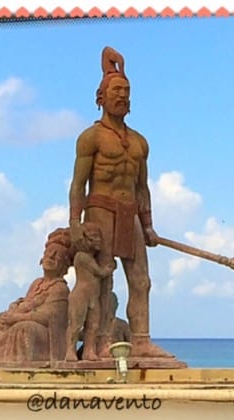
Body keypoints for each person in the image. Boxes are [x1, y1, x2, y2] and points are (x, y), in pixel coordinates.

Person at [68, 46, 173, 358]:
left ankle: (141, 340)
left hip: (131, 215)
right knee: (102, 279)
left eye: (127, 91)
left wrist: (149, 225)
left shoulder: (140, 142)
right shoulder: (91, 137)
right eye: (116, 90)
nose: (123, 96)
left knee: (141, 280)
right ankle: (98, 342)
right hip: (100, 209)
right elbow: (78, 184)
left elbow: (143, 188)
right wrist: (75, 223)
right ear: (101, 96)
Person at [0, 230, 73, 362]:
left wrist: (17, 317)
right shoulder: (37, 283)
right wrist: (13, 309)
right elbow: (27, 302)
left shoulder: (60, 288)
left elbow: (49, 316)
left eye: (56, 255)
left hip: (49, 335)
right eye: (48, 253)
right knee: (0, 323)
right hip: (27, 319)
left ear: (63, 264)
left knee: (23, 327)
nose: (50, 257)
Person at [65, 222, 113, 362]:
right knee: (76, 325)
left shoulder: (91, 258)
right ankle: (70, 350)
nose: (98, 241)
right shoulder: (81, 256)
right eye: (94, 238)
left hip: (93, 296)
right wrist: (109, 268)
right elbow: (100, 272)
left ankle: (89, 351)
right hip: (81, 295)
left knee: (93, 325)